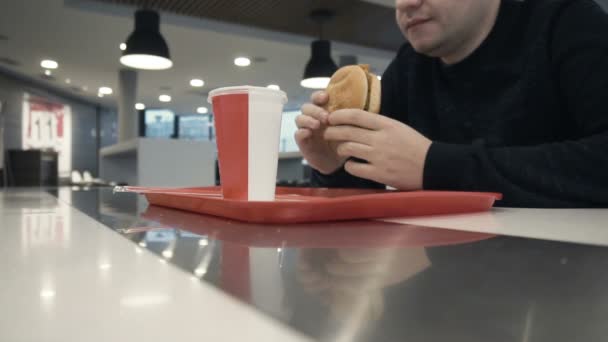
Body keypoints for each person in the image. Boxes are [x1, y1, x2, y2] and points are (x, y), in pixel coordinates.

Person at [295, 0, 608, 207]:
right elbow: (372, 185)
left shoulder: (566, 20)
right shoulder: (410, 65)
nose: (405, 4)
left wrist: (437, 166)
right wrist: (334, 167)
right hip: (445, 281)